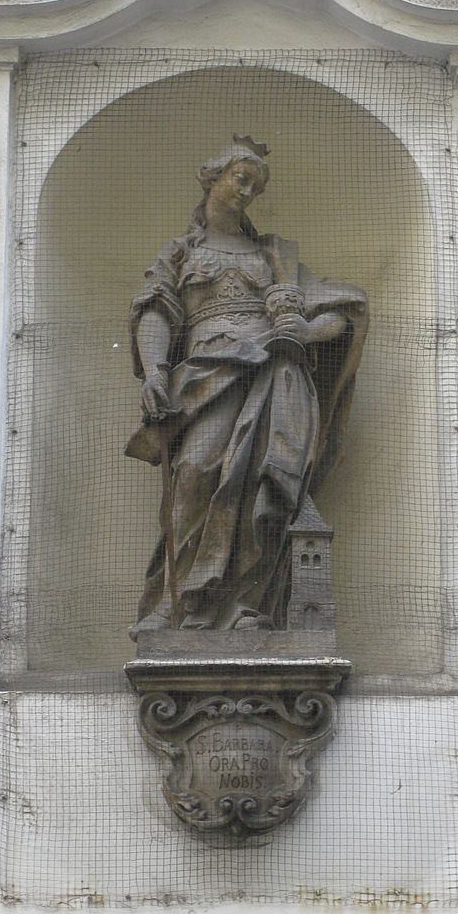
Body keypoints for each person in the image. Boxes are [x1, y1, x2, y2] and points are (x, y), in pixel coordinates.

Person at [126, 136, 368, 635]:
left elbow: (343, 310)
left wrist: (305, 330)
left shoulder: (274, 255)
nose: (247, 191)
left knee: (262, 481)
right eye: (241, 178)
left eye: (255, 186)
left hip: (268, 372)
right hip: (204, 376)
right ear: (212, 177)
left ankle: (245, 606)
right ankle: (177, 605)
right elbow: (155, 311)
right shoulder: (182, 252)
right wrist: (154, 372)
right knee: (194, 470)